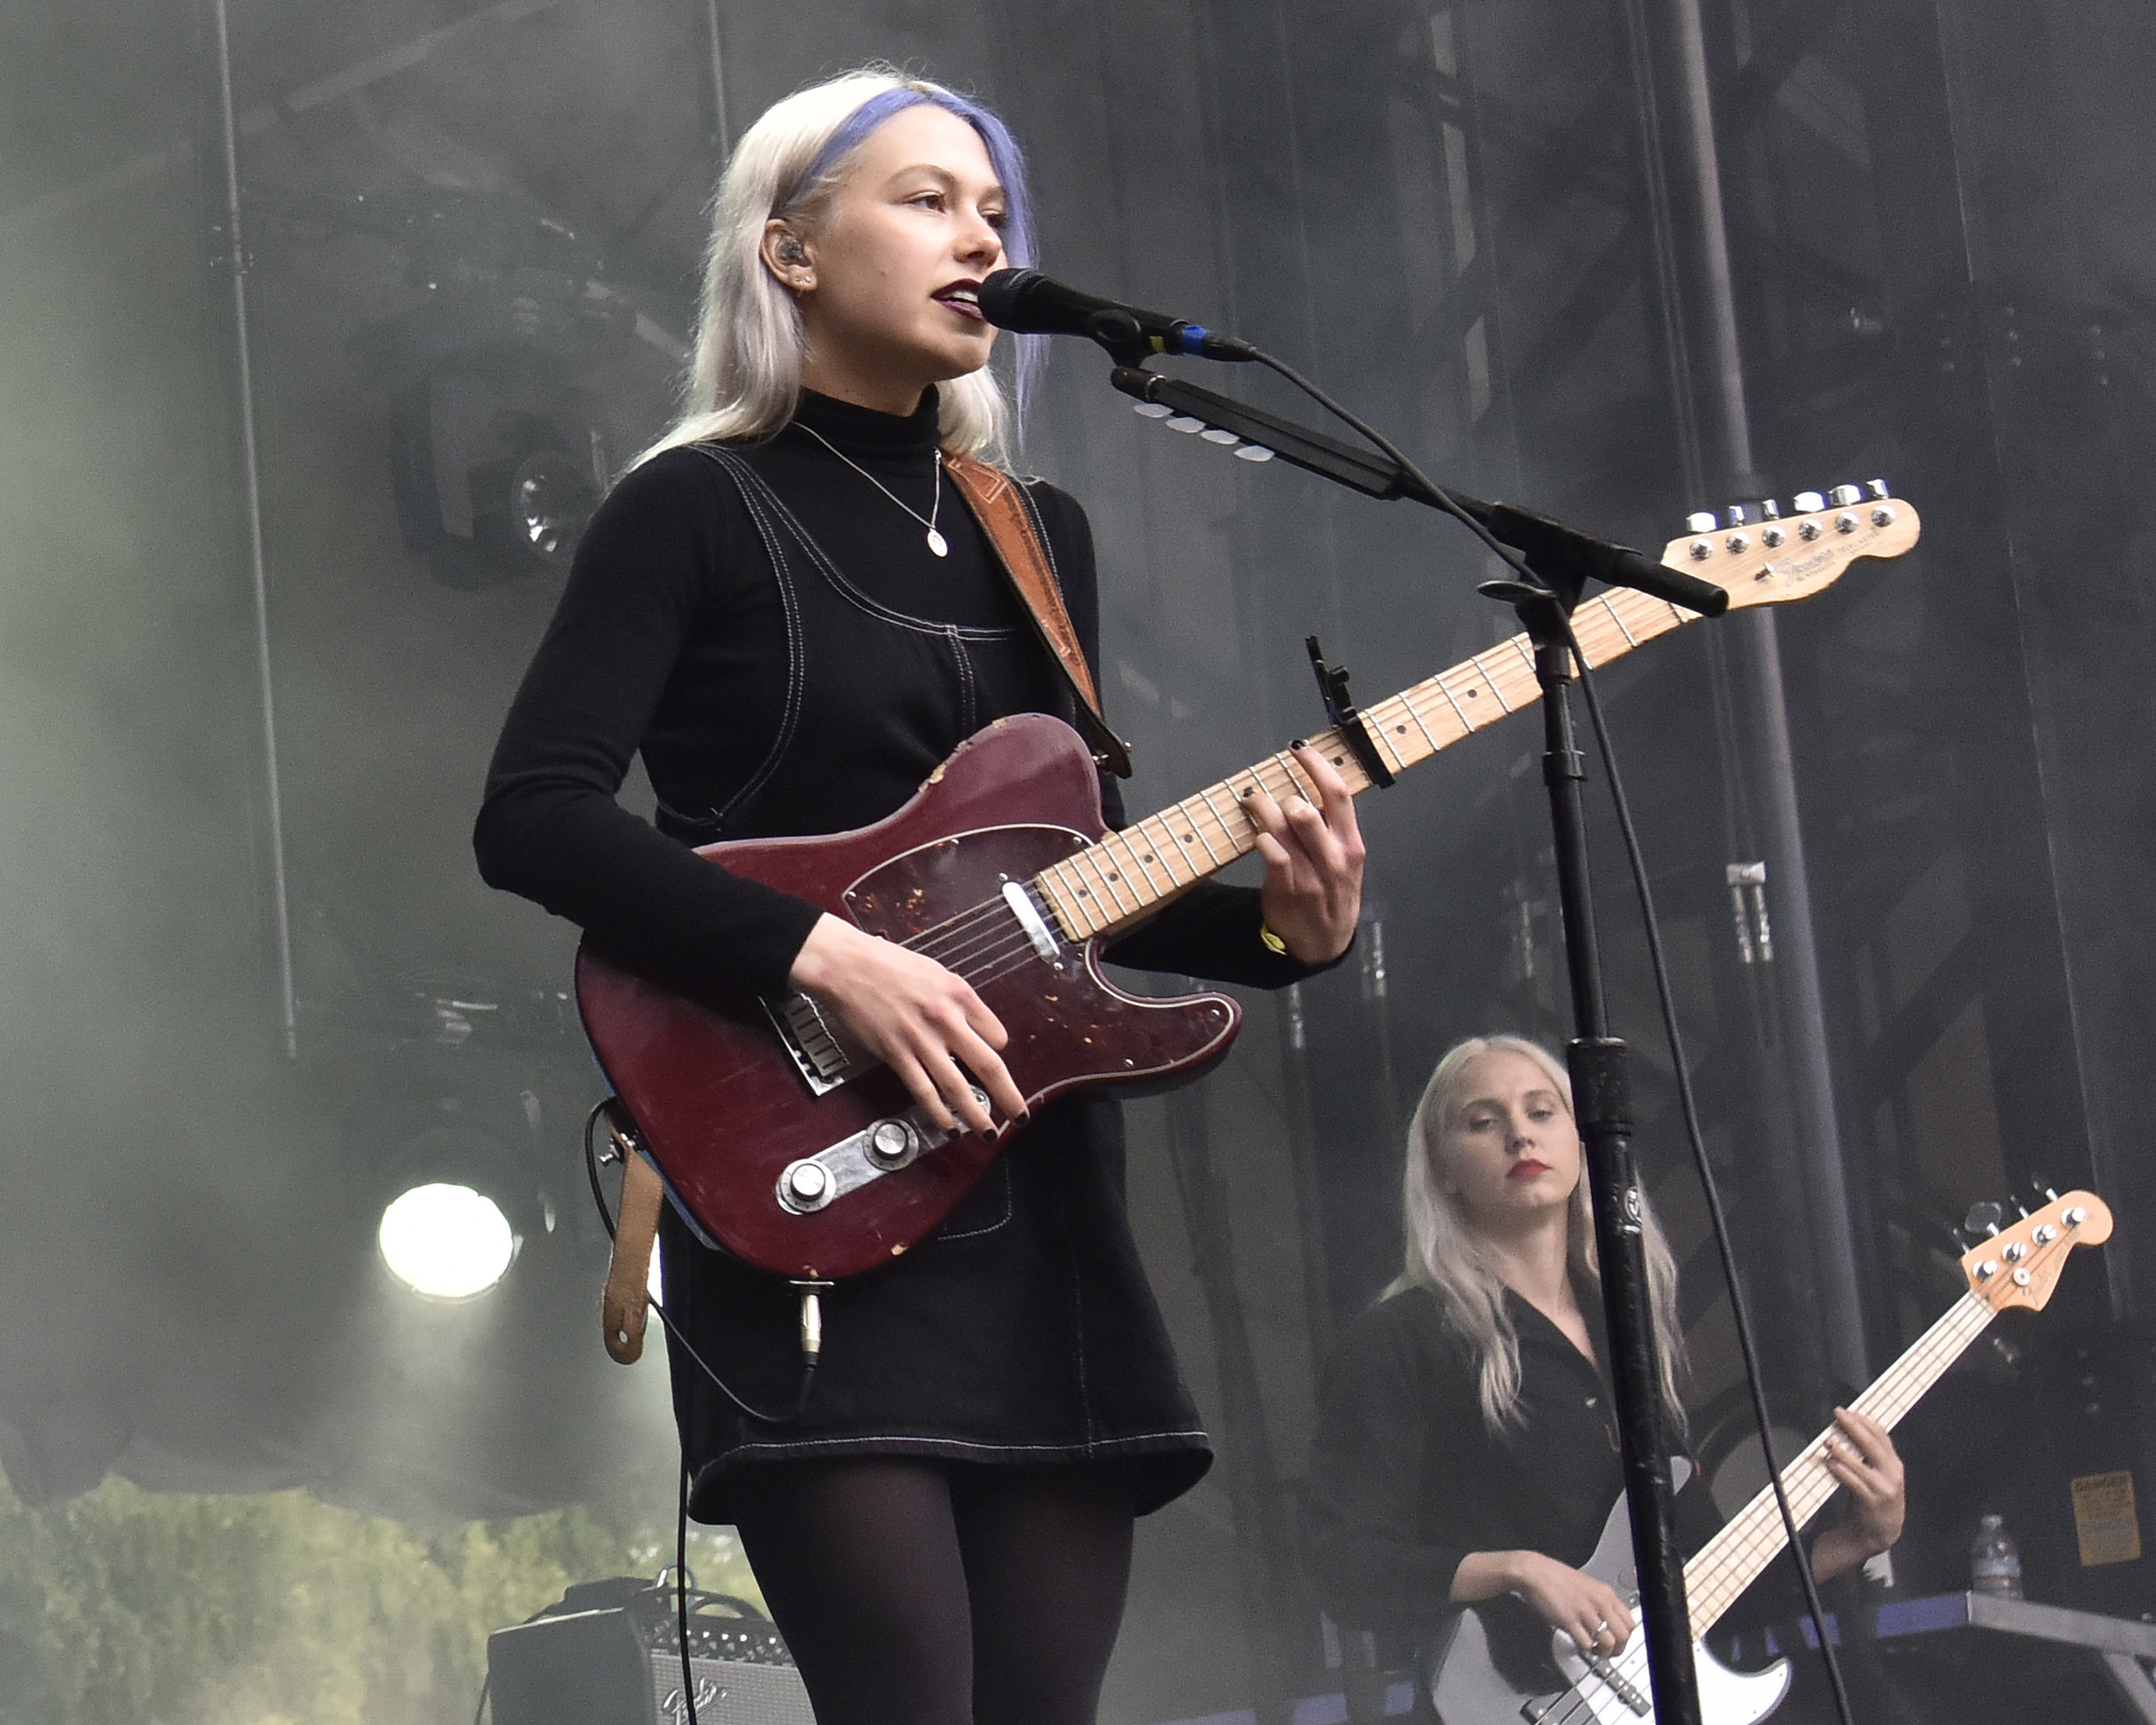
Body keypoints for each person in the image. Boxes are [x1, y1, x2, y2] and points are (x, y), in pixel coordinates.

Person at [474, 69, 1363, 1725]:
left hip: (1035, 1203)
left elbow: (1065, 886)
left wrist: (1276, 932)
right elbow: (532, 816)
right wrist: (829, 956)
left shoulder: (1038, 531)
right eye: (930, 199)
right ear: (791, 249)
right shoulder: (692, 505)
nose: (981, 237)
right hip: (806, 1179)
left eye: (997, 214)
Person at [1303, 1035, 1903, 1699]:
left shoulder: (1626, 1335)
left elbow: (1695, 1591)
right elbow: (1342, 1564)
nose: (1518, 1136)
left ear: (1584, 1143)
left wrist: (1854, 1539)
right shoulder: (1402, 1338)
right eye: (1483, 1120)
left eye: (1541, 1112)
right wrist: (1515, 1571)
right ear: (1443, 1167)